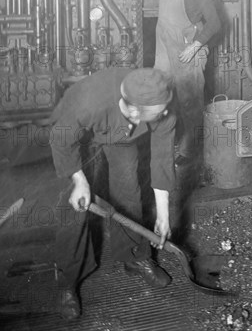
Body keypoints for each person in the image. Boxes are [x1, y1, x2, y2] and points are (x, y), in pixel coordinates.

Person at [51, 68, 176, 320]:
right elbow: (61, 139)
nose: (165, 114)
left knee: (128, 189)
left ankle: (133, 256)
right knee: (76, 205)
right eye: (159, 112)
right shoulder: (87, 103)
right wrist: (79, 180)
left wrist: (163, 216)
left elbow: (162, 160)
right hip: (78, 134)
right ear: (133, 110)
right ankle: (68, 280)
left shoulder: (162, 105)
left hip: (121, 132)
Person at [123, 0, 221, 161]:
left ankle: (194, 153)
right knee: (161, 92)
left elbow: (215, 23)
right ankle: (166, 142)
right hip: (165, 49)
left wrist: (195, 46)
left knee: (190, 101)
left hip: (188, 50)